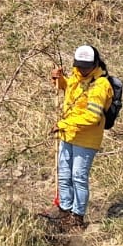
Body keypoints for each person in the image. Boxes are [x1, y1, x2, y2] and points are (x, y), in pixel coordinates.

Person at [45, 44, 114, 229]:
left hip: (86, 138)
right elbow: (70, 91)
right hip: (68, 134)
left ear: (95, 64)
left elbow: (93, 117)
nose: (82, 69)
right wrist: (60, 80)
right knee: (64, 174)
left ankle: (77, 216)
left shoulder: (100, 86)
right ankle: (65, 210)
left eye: (86, 66)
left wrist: (63, 124)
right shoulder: (76, 76)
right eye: (79, 65)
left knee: (78, 176)